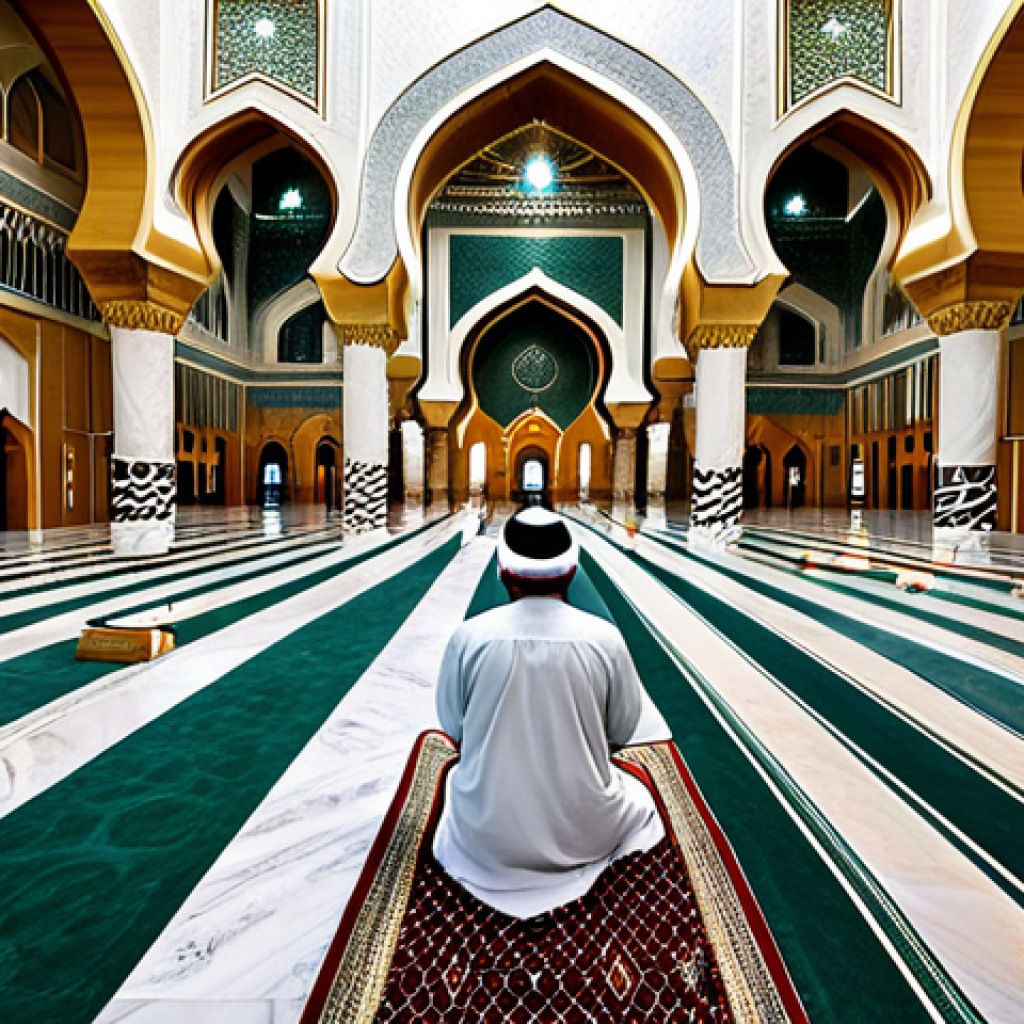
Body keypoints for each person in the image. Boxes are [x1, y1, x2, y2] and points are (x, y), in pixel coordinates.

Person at [433, 506, 664, 919]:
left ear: (504, 572)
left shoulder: (468, 638)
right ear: (571, 572)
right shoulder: (605, 640)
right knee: (643, 803)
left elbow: (453, 728)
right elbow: (623, 730)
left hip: (483, 838)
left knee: (454, 783)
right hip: (584, 832)